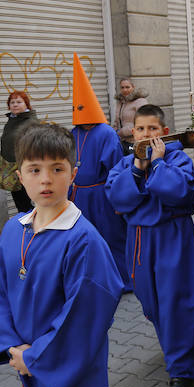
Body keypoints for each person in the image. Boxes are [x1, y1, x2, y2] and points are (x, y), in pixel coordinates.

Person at [0, 123, 132, 387]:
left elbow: (84, 316)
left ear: (73, 173)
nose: (46, 180)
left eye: (57, 169)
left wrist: (34, 357)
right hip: (29, 358)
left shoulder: (83, 240)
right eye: (34, 170)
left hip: (69, 361)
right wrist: (11, 347)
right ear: (19, 177)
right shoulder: (13, 230)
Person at [105, 104, 194, 387]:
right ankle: (185, 349)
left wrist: (158, 163)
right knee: (152, 302)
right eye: (140, 129)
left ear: (164, 133)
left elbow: (179, 191)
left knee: (177, 301)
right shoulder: (127, 163)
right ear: (132, 132)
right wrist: (139, 169)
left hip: (173, 238)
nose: (145, 134)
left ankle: (182, 369)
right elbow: (116, 196)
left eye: (152, 129)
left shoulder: (176, 158)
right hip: (140, 242)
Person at [69, 54, 130, 292]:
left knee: (112, 236)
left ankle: (124, 280)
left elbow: (115, 166)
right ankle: (95, 279)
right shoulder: (73, 133)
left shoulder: (105, 133)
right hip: (80, 195)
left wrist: (117, 197)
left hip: (102, 194)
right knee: (86, 240)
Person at [0, 90, 38, 212]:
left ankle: (36, 226)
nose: (15, 105)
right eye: (12, 102)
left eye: (19, 102)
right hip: (11, 169)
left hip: (26, 168)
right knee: (20, 203)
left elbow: (37, 146)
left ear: (26, 104)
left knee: (29, 202)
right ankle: (25, 226)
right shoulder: (11, 121)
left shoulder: (31, 122)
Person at [114, 77, 149, 156]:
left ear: (133, 87)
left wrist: (122, 132)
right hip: (122, 141)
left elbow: (144, 122)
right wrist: (114, 132)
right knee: (125, 165)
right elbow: (116, 121)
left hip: (135, 142)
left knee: (135, 162)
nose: (125, 90)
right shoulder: (121, 102)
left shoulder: (140, 101)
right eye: (122, 87)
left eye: (127, 87)